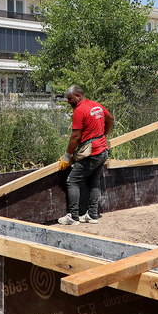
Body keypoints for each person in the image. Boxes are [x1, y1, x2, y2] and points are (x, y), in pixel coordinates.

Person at [57, 86, 114, 226]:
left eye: (70, 99)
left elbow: (75, 136)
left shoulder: (79, 110)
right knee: (93, 181)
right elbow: (110, 118)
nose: (69, 102)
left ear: (78, 95)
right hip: (102, 151)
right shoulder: (96, 105)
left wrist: (66, 156)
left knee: (72, 181)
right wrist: (103, 135)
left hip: (92, 153)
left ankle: (73, 217)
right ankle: (92, 214)